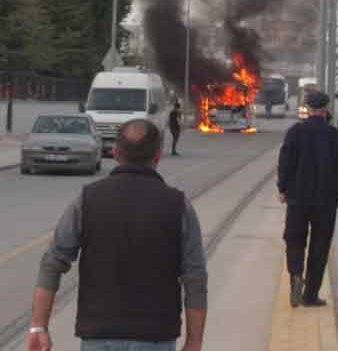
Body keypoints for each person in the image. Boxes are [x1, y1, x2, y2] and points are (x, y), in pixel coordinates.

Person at [27, 119, 207, 351]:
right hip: (156, 336)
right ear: (158, 156)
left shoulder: (87, 200)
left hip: (98, 335)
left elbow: (52, 262)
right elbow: (195, 278)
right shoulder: (178, 205)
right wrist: (194, 341)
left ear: (115, 154)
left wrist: (38, 327)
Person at [278, 91, 338, 309]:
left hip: (297, 199)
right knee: (320, 246)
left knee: (294, 239)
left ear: (307, 108)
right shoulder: (335, 135)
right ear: (325, 109)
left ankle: (295, 275)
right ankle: (310, 295)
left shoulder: (294, 132)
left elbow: (285, 163)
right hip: (326, 201)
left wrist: (282, 188)